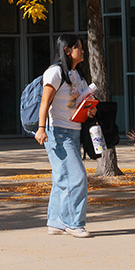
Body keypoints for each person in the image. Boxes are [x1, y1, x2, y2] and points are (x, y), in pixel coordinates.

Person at [33, 33, 94, 238]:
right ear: (67, 50)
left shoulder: (78, 74)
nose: (82, 50)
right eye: (79, 47)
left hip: (74, 130)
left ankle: (56, 222)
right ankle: (74, 223)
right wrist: (41, 128)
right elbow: (44, 102)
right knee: (77, 177)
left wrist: (90, 108)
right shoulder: (55, 72)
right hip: (57, 132)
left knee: (62, 177)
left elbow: (82, 101)